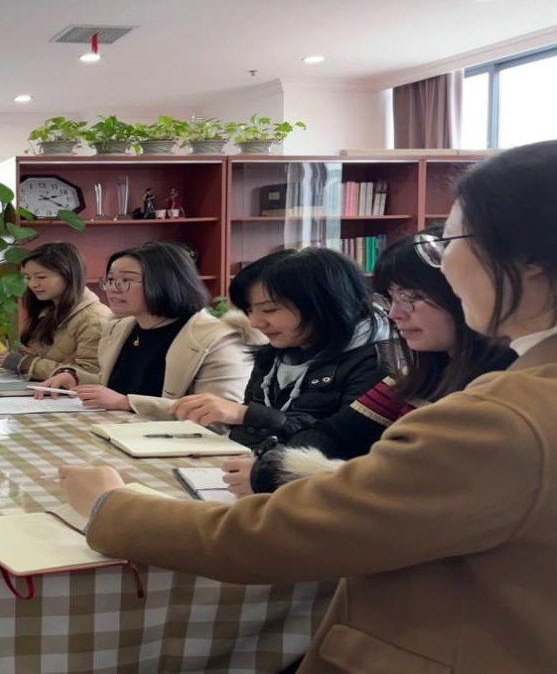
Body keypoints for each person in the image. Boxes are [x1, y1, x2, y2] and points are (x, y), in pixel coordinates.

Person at [60, 141, 557, 672]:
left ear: (528, 257)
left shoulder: (502, 416)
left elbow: (281, 536)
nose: (444, 268)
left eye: (447, 242)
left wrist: (112, 505)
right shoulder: (477, 384)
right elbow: (337, 439)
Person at [243, 230, 516, 495]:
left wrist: (273, 472)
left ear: (466, 293)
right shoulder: (417, 374)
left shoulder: (497, 387)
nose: (395, 313)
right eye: (391, 298)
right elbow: (335, 432)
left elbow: (420, 484)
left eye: (412, 297)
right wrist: (275, 467)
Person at [171, 248, 389, 451]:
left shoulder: (376, 362)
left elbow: (342, 442)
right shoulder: (278, 351)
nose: (255, 323)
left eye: (270, 310)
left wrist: (248, 415)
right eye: (249, 310)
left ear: (324, 304)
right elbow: (245, 435)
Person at [34, 242, 262, 417]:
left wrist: (126, 402)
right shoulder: (119, 327)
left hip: (179, 451)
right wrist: (75, 377)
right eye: (110, 280)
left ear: (165, 282)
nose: (112, 289)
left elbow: (217, 415)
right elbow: (114, 384)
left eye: (125, 280)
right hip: (119, 437)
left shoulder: (217, 339)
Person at [0, 242, 111, 381]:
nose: (32, 284)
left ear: (68, 275)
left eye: (41, 277)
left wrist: (25, 363)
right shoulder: (48, 310)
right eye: (28, 277)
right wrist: (24, 358)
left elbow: (89, 374)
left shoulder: (94, 319)